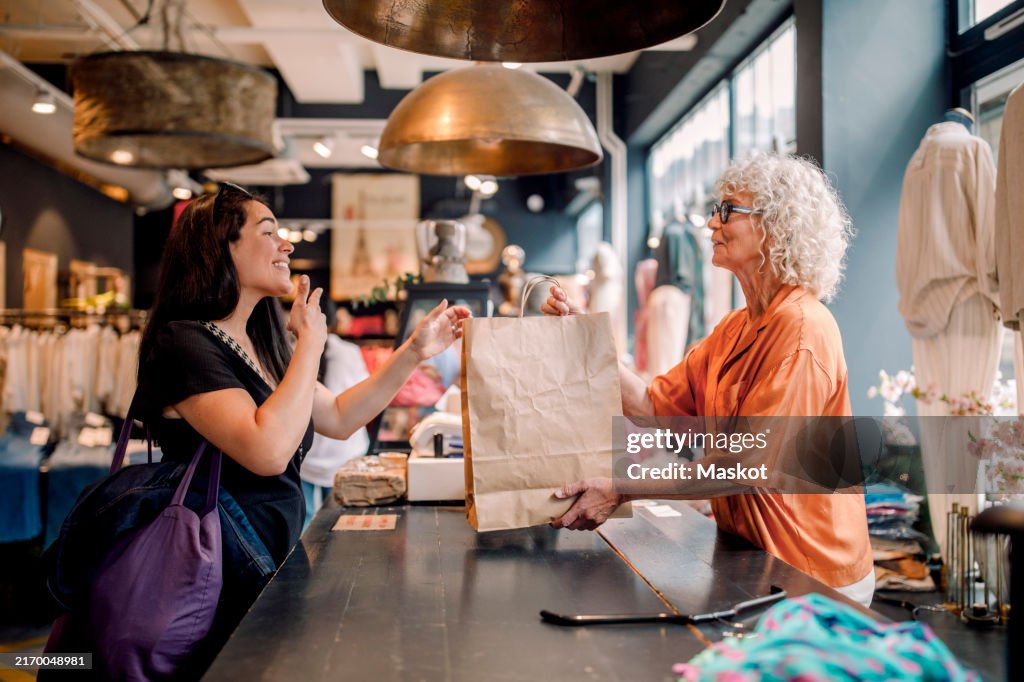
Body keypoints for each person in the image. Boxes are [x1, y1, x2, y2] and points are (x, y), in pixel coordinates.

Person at [135, 182, 470, 665]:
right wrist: (311, 343)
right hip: (210, 569)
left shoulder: (256, 343)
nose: (286, 245)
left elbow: (338, 417)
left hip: (264, 562)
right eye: (268, 232)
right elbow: (267, 451)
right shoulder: (184, 344)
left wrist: (414, 350)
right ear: (219, 247)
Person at [542, 153, 875, 607]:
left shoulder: (802, 329)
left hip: (811, 573)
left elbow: (748, 467)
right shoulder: (734, 329)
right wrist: (582, 336)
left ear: (776, 227)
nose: (711, 225)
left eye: (727, 211)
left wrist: (621, 487)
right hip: (755, 558)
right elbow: (652, 406)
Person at [298, 299, 370, 529]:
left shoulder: (294, 350)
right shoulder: (350, 352)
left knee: (304, 517)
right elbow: (364, 394)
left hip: (306, 451)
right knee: (341, 518)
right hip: (345, 450)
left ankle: (301, 563)